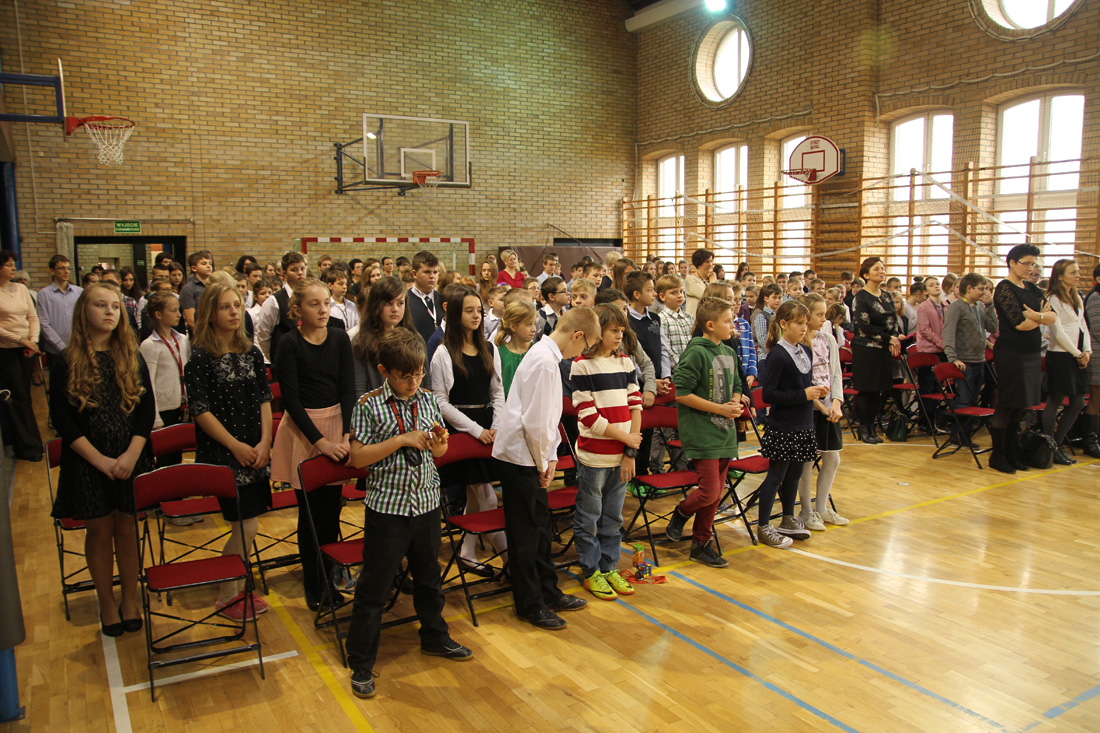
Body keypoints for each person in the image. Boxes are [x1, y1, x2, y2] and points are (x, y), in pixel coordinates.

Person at [343, 328, 472, 699]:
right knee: (375, 586)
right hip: (388, 508)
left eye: (418, 374)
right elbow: (357, 458)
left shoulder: (428, 400)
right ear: (384, 371)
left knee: (429, 579)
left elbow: (440, 452)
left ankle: (434, 636)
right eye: (405, 376)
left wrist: (439, 443)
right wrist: (401, 439)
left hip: (427, 503)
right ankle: (361, 661)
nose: (413, 382)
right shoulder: (369, 405)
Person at [49, 283, 154, 636]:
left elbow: (146, 410)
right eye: (100, 305)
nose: (109, 312)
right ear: (84, 311)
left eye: (114, 306)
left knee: (126, 527)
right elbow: (62, 419)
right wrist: (100, 460)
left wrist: (132, 454)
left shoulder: (131, 355)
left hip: (130, 455)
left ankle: (130, 599)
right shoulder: (67, 360)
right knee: (99, 530)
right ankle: (107, 602)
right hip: (87, 460)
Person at [492, 307, 599, 630]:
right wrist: (544, 462)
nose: (581, 353)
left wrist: (550, 458)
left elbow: (547, 420)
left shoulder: (546, 357)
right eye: (585, 346)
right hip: (520, 458)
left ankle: (548, 592)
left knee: (540, 529)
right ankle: (529, 604)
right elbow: (536, 423)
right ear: (577, 335)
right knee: (525, 535)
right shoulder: (543, 361)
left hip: (533, 455)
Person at [184, 282, 273, 619]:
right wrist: (235, 446)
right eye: (225, 307)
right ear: (210, 313)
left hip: (255, 448)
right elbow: (200, 410)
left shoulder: (252, 353)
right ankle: (228, 595)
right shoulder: (200, 359)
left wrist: (265, 442)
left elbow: (265, 400)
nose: (235, 312)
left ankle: (236, 589)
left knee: (248, 525)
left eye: (237, 305)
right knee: (244, 526)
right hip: (224, 451)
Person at [270, 279, 356, 611]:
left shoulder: (338, 337)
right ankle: (312, 583)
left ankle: (329, 578)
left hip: (336, 426)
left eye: (326, 303)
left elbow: (347, 389)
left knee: (331, 511)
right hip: (304, 431)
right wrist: (321, 443)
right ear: (297, 310)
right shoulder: (289, 343)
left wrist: (346, 435)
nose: (323, 310)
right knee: (310, 515)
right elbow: (290, 400)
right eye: (314, 304)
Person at [431, 288, 507, 576]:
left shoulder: (489, 348)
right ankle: (510, 559)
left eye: (479, 310)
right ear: (455, 314)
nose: (476, 316)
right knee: (486, 496)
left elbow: (498, 392)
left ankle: (467, 552)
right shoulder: (443, 353)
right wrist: (477, 431)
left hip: (488, 427)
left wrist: (496, 426)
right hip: (462, 429)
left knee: (477, 497)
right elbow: (441, 402)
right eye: (469, 310)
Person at [663, 297, 743, 566]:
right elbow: (682, 394)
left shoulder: (729, 351)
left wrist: (735, 401)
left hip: (725, 431)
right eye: (728, 321)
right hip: (702, 432)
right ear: (710, 325)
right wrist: (720, 409)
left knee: (716, 494)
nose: (732, 326)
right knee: (709, 491)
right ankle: (681, 512)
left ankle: (701, 543)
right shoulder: (696, 352)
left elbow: (737, 384)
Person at [570, 304, 642, 600]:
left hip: (622, 455)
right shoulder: (581, 365)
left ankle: (609, 566)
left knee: (613, 518)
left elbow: (635, 406)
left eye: (622, 330)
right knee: (589, 518)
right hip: (594, 457)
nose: (619, 336)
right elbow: (588, 416)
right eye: (614, 330)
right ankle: (591, 571)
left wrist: (629, 451)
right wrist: (628, 439)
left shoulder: (625, 362)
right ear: (597, 331)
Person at [989, 244, 1052, 474]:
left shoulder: (1032, 288)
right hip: (1011, 352)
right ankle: (997, 455)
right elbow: (1020, 324)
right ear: (1012, 263)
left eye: (1033, 264)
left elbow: (1052, 317)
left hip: (1030, 352)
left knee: (1019, 406)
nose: (1030, 268)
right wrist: (1041, 317)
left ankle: (1011, 452)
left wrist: (1036, 316)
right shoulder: (1004, 288)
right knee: (1007, 403)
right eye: (1026, 263)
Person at [796, 294, 847, 530]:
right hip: (811, 408)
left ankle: (822, 508)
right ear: (806, 315)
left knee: (833, 458)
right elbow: (802, 382)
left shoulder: (828, 339)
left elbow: (836, 374)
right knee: (807, 461)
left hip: (829, 407)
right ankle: (806, 511)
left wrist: (836, 403)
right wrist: (821, 407)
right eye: (819, 314)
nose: (824, 318)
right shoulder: (799, 343)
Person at [1043, 259, 1092, 465]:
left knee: (1078, 402)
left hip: (1077, 354)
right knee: (1055, 400)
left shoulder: (1077, 296)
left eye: (1078, 271)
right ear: (1060, 276)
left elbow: (1083, 325)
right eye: (1073, 272)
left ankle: (1057, 443)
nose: (1078, 275)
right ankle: (1049, 447)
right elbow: (1058, 332)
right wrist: (1077, 353)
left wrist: (1087, 350)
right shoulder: (1053, 299)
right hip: (1060, 355)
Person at [942, 273, 998, 446]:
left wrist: (990, 306)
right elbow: (948, 333)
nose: (984, 292)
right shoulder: (957, 307)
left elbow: (993, 327)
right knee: (964, 399)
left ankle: (965, 434)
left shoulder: (980, 306)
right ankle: (957, 434)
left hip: (979, 360)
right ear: (969, 288)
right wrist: (952, 357)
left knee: (973, 399)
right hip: (964, 361)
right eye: (981, 288)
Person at [850, 257, 901, 444]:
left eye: (882, 268)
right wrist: (889, 338)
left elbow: (893, 320)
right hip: (865, 349)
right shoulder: (861, 297)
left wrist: (894, 337)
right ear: (866, 274)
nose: (881, 272)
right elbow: (863, 325)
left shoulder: (886, 296)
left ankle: (872, 427)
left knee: (877, 391)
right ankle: (864, 428)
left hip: (882, 349)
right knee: (866, 390)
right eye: (876, 269)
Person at [139, 292, 191, 468]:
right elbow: (148, 384)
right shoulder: (149, 345)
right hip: (163, 410)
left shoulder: (183, 340)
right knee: (165, 457)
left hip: (182, 406)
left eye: (179, 310)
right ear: (158, 315)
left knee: (178, 455)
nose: (179, 315)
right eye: (174, 310)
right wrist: (155, 418)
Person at [0, 251, 44, 461]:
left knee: (25, 394)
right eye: (8, 265)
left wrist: (33, 340)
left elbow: (33, 317)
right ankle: (29, 446)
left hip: (27, 347)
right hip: (6, 349)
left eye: (13, 264)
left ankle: (27, 444)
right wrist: (21, 340)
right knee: (18, 396)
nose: (13, 268)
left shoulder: (21, 289)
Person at [256, 251, 308, 365]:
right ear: (284, 273)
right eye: (294, 270)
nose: (300, 273)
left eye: (302, 269)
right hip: (284, 359)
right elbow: (264, 334)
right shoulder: (274, 301)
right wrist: (274, 356)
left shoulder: (309, 296)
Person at [37, 254, 83, 359]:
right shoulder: (44, 294)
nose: (66, 272)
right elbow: (44, 324)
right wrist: (61, 347)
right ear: (52, 271)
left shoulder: (79, 292)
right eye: (62, 268)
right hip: (55, 350)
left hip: (78, 346)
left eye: (68, 268)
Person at [493, 299, 538, 398]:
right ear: (513, 326)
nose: (534, 329)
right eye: (529, 324)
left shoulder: (537, 352)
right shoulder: (500, 354)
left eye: (534, 323)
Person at [406, 251, 444, 345]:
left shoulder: (443, 299)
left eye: (435, 272)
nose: (432, 276)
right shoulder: (404, 300)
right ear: (414, 274)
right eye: (427, 272)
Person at [1083, 262, 1100, 459]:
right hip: (1097, 355)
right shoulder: (1095, 298)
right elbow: (1097, 328)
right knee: (1096, 397)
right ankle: (1090, 440)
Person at [178, 250, 214, 333]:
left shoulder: (214, 286)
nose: (208, 266)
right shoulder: (188, 289)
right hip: (200, 333)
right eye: (204, 264)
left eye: (210, 263)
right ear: (194, 268)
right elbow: (191, 321)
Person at [750, 282, 783, 367]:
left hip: (778, 357)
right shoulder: (761, 316)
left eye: (780, 297)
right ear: (766, 298)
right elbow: (763, 340)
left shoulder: (780, 316)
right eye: (774, 297)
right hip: (766, 358)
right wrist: (776, 352)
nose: (777, 300)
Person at [322, 267, 358, 332]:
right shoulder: (328, 306)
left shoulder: (352, 305)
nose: (344, 287)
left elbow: (357, 324)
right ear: (330, 286)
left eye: (345, 284)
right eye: (340, 284)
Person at [683, 249, 712, 318]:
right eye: (707, 262)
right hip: (695, 319)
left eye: (711, 261)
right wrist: (712, 282)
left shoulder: (711, 279)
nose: (710, 265)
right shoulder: (690, 280)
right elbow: (707, 296)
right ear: (699, 264)